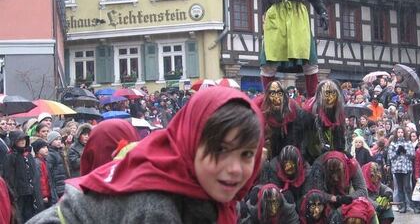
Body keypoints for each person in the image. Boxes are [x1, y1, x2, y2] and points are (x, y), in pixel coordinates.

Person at [28, 86, 265, 223]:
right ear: (190, 143)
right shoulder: (156, 205)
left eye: (246, 154)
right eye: (221, 149)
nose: (235, 167)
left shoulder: (201, 190)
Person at [3, 131, 43, 222]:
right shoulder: (10, 156)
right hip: (19, 194)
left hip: (32, 192)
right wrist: (14, 193)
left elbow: (34, 173)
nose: (22, 141)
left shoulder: (28, 154)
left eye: (24, 139)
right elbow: (9, 177)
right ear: (14, 141)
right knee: (21, 216)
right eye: (19, 139)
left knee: (32, 215)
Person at [387, 127, 415, 213]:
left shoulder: (409, 143)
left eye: (402, 132)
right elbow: (390, 157)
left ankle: (411, 204)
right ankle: (402, 206)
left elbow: (412, 156)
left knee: (407, 186)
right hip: (397, 168)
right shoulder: (393, 144)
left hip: (406, 168)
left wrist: (405, 152)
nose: (400, 134)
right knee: (399, 188)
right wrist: (397, 153)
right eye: (398, 132)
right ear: (396, 134)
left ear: (404, 133)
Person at [45, 131, 67, 199]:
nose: (59, 141)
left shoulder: (59, 152)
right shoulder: (50, 155)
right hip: (58, 186)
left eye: (59, 139)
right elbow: (50, 173)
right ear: (50, 141)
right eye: (56, 139)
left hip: (63, 184)